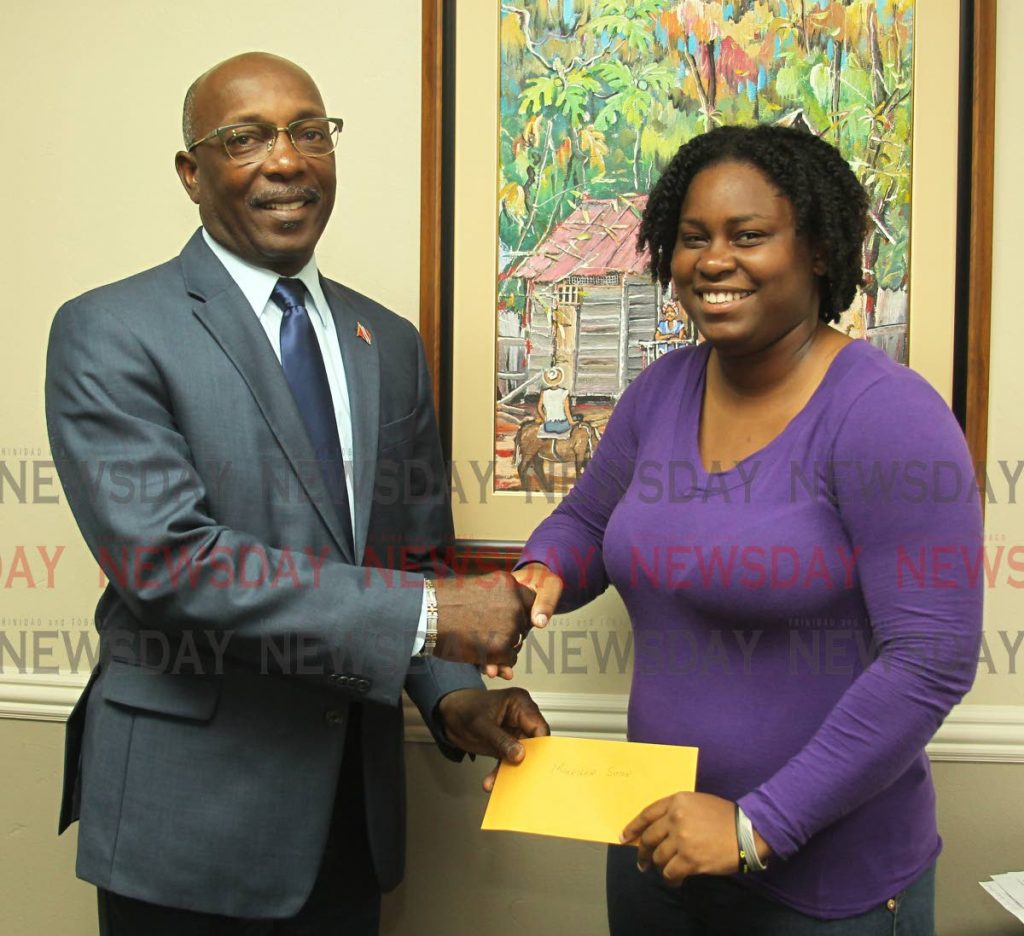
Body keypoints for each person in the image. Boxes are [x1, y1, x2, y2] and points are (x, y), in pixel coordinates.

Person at [46, 52, 547, 935]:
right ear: (191, 174)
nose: (287, 160)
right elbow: (170, 565)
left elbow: (413, 556)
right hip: (188, 828)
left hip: (350, 820)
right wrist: (431, 615)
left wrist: (453, 696)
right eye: (245, 138)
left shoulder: (387, 342)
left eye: (310, 132)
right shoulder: (110, 330)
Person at [513, 125, 982, 934]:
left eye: (749, 236)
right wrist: (540, 573)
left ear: (823, 253)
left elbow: (930, 662)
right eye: (693, 238)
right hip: (656, 851)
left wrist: (755, 827)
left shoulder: (888, 415)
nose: (712, 261)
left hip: (826, 889)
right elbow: (589, 520)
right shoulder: (661, 390)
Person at [537, 365, 574, 434]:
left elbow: (539, 408)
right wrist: (571, 422)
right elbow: (567, 411)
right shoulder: (564, 393)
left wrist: (545, 418)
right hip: (562, 426)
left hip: (548, 426)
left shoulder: (544, 393)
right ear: (559, 380)